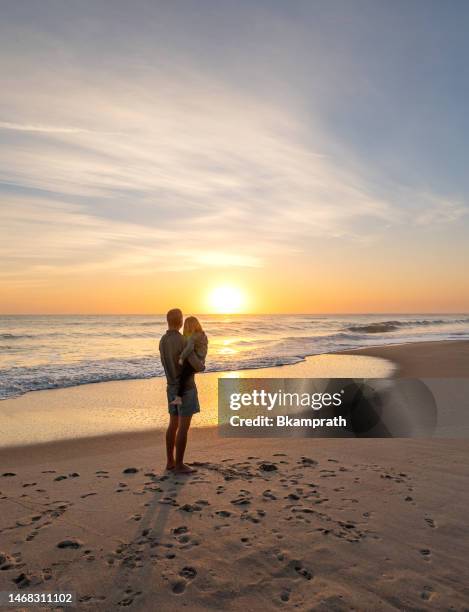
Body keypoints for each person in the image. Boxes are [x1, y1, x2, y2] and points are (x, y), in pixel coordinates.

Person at [159, 308, 205, 474]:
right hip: (186, 388)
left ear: (168, 321)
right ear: (180, 322)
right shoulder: (183, 341)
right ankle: (179, 464)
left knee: (173, 424)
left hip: (170, 387)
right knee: (183, 427)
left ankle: (170, 462)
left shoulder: (163, 340)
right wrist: (202, 363)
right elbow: (197, 366)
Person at [170, 316, 208, 406]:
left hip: (195, 363)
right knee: (185, 376)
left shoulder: (193, 336)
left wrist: (182, 358)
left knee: (183, 377)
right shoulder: (202, 335)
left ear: (189, 326)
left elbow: (189, 348)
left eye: (186, 326)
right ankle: (179, 397)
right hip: (200, 362)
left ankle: (179, 398)